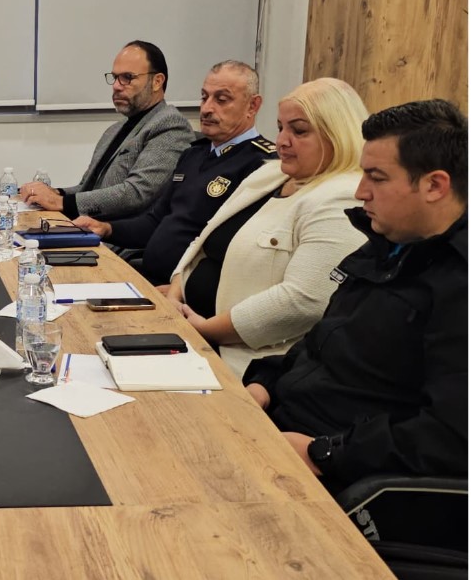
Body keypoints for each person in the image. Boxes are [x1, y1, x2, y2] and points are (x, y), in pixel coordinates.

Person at [243, 99, 467, 494]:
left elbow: (449, 436)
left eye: (376, 178)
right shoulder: (387, 245)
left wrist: (324, 453)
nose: (361, 192)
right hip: (281, 428)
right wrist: (264, 384)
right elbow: (321, 345)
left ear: (434, 185)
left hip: (338, 474)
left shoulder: (457, 283)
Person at [166, 78, 370, 376]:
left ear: (338, 134)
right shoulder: (268, 174)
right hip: (189, 325)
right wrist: (175, 293)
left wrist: (206, 329)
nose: (282, 141)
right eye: (280, 128)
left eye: (298, 131)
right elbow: (204, 237)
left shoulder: (343, 195)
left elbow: (303, 302)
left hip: (243, 358)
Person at [73, 60, 277, 284]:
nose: (207, 108)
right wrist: (106, 228)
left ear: (253, 106)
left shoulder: (262, 164)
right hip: (149, 279)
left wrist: (181, 291)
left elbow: (233, 252)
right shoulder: (194, 154)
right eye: (204, 97)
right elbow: (155, 221)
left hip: (188, 293)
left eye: (221, 100)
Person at [20, 40, 194, 220]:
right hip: (87, 226)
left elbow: (137, 193)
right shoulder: (115, 129)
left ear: (157, 81)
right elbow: (88, 189)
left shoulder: (170, 125)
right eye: (115, 77)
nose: (116, 86)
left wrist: (61, 202)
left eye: (127, 77)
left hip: (119, 234)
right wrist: (56, 193)